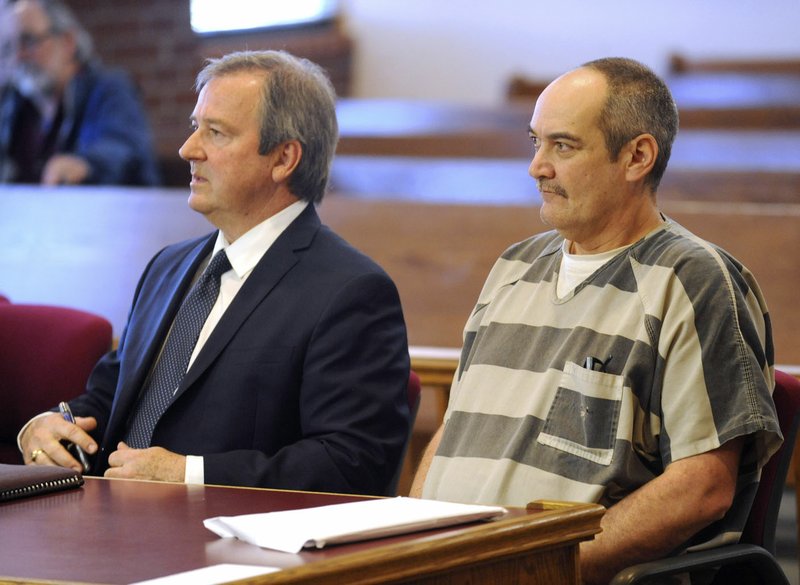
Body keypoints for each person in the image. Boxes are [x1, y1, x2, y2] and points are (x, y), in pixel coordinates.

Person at [410, 57, 781, 584]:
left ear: (637, 156)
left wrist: (536, 569)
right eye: (535, 142)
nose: (538, 166)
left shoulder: (691, 281)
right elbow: (457, 427)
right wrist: (411, 542)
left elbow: (702, 488)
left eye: (562, 146)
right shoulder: (515, 267)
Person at [19, 49, 411, 497]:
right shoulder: (168, 266)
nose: (189, 149)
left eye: (216, 133)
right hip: (108, 523)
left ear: (283, 159)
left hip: (228, 546)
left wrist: (189, 475)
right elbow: (110, 399)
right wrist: (50, 426)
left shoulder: (350, 291)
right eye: (194, 127)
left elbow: (352, 464)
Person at [0, 0, 159, 185]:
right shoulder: (12, 106)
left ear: (68, 42)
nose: (19, 56)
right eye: (8, 48)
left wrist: (84, 165)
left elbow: (123, 149)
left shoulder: (109, 90)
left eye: (28, 41)